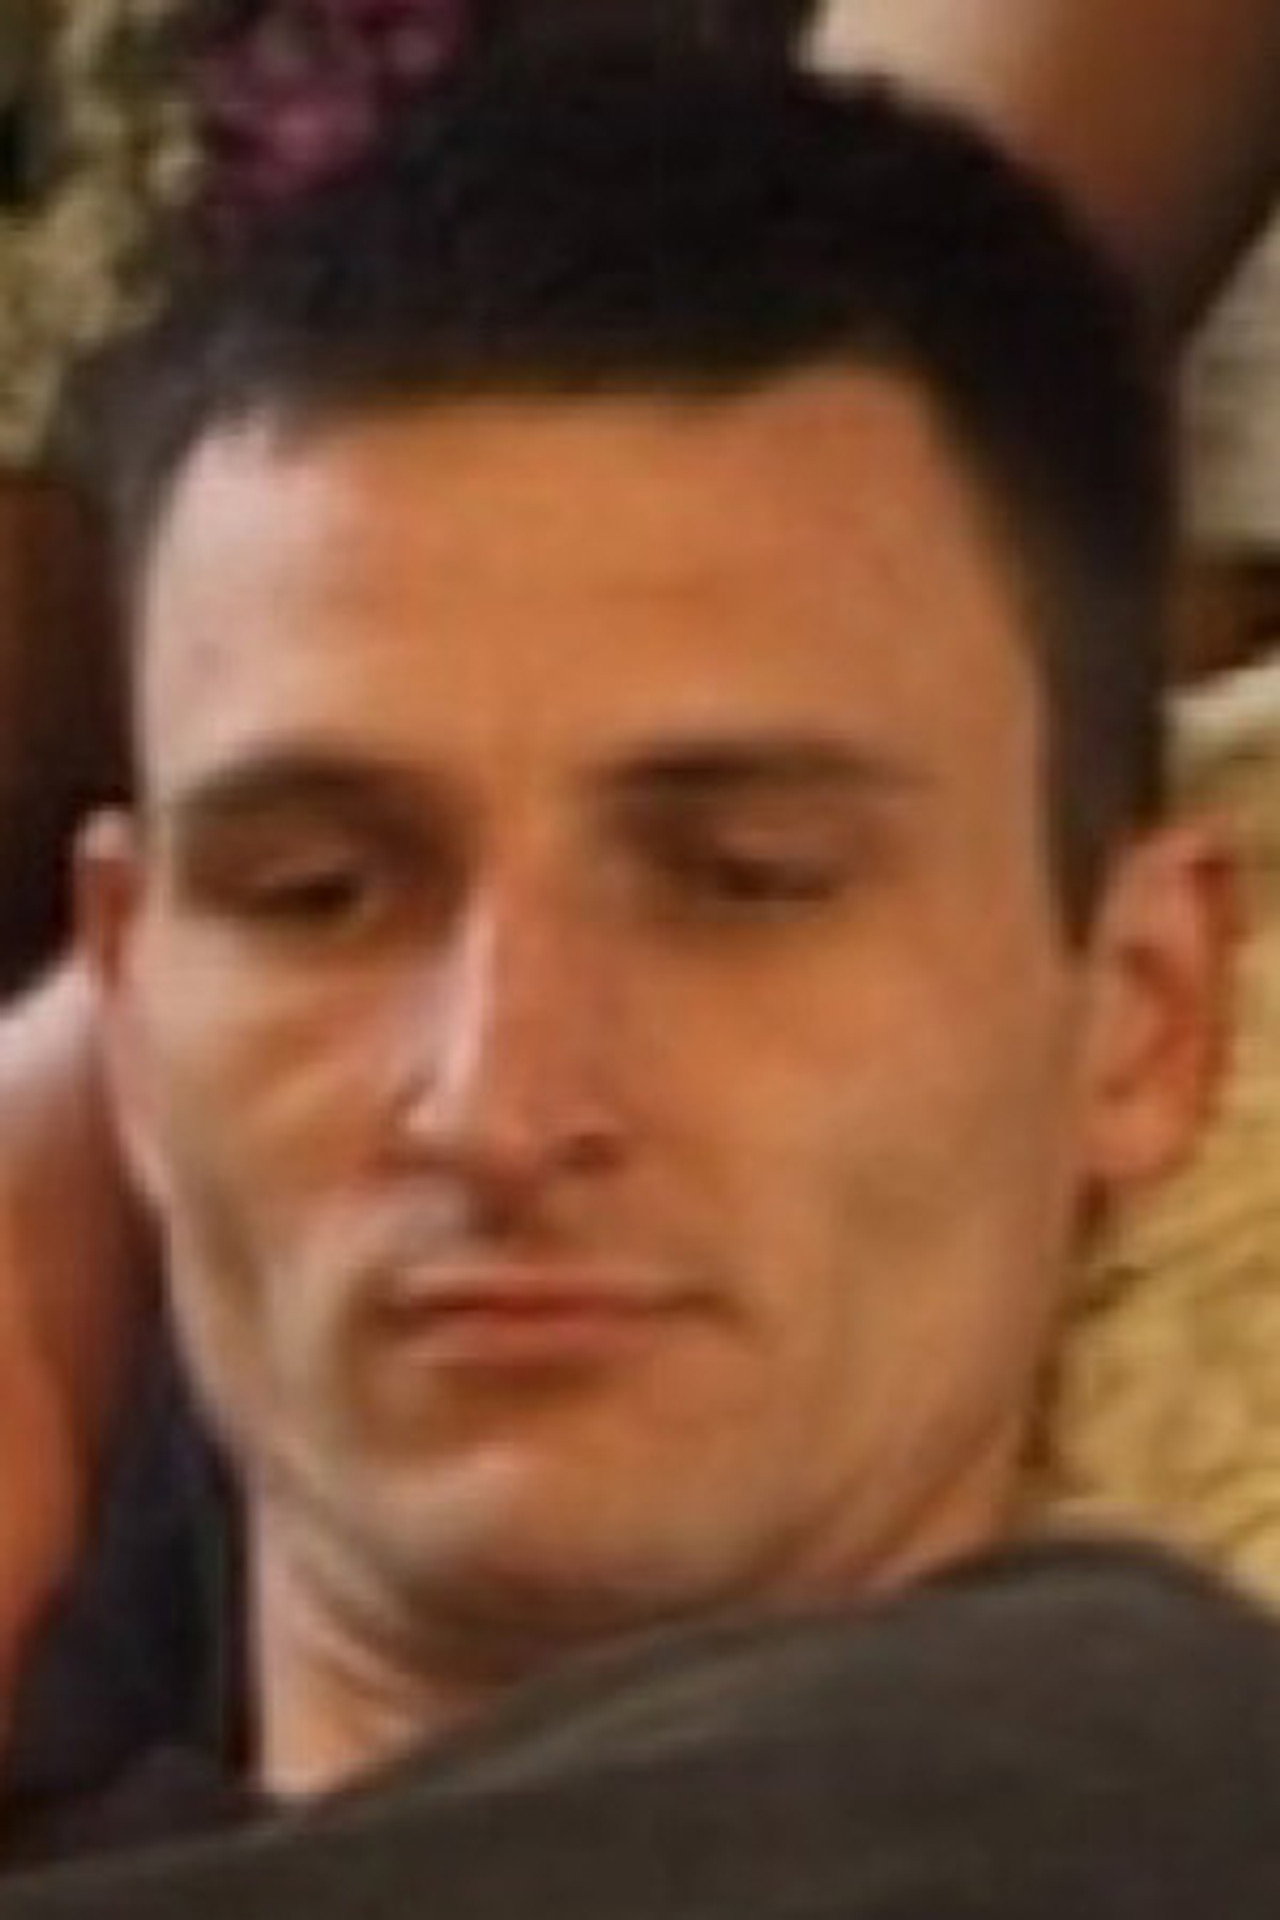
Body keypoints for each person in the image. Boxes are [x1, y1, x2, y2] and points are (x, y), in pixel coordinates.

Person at [0, 31, 1261, 1880]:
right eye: (317, 894)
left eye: (744, 883)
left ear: (1143, 1012)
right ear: (125, 1010)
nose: (495, 1104)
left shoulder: (1161, 1790)